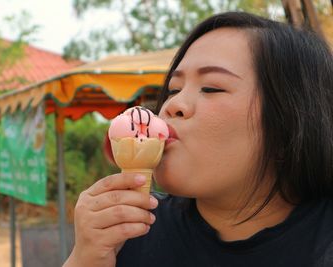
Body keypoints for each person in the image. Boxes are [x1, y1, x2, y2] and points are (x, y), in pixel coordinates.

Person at [64, 12, 333, 267]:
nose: (172, 105)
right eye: (173, 89)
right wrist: (83, 258)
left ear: (291, 124)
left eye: (211, 88)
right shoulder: (128, 231)